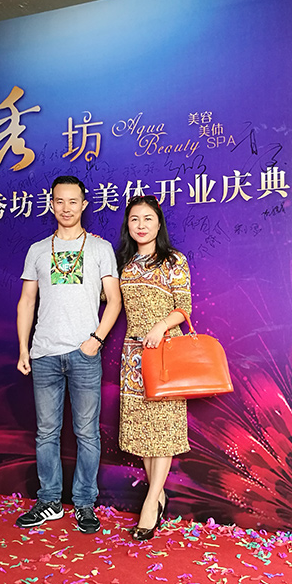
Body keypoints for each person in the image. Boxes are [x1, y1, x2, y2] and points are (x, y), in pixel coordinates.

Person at [16, 175, 122, 533]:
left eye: (73, 201)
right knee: (46, 433)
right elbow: (27, 302)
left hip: (84, 354)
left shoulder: (100, 249)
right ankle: (49, 501)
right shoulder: (36, 250)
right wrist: (24, 348)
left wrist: (96, 339)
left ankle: (84, 504)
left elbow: (115, 300)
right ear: (51, 204)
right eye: (59, 201)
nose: (66, 208)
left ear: (84, 204)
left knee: (87, 433)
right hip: (44, 353)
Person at [116, 195, 192, 541]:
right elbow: (105, 297)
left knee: (163, 428)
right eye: (135, 219)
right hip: (133, 354)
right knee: (144, 431)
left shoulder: (173, 260)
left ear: (159, 223)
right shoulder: (124, 262)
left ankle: (150, 504)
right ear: (128, 226)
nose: (141, 225)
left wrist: (161, 325)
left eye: (148, 218)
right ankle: (158, 495)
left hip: (165, 351)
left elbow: (184, 307)